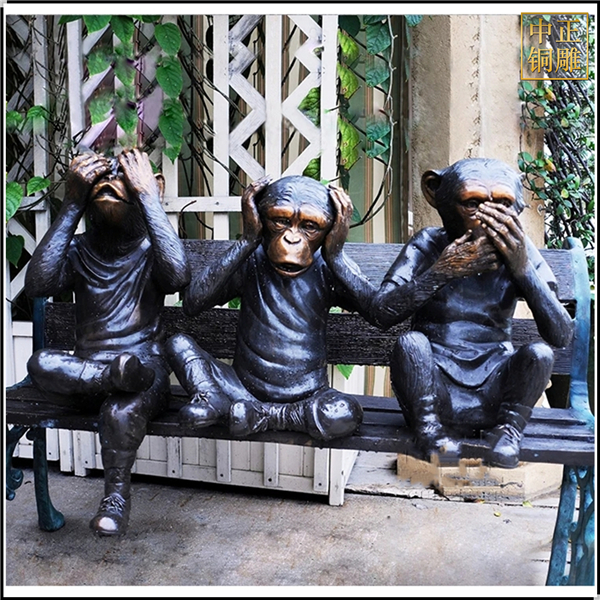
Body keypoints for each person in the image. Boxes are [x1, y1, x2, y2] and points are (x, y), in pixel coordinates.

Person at [25, 149, 190, 535]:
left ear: (149, 188)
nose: (110, 184)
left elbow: (178, 277)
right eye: (99, 181)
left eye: (123, 177)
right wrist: (71, 203)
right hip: (92, 374)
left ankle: (115, 499)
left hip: (143, 372)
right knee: (40, 363)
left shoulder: (152, 250)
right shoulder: (80, 250)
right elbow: (38, 284)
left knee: (120, 409)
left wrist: (148, 196)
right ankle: (111, 377)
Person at [371, 158, 573, 467]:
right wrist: (441, 272)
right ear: (435, 194)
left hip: (495, 388)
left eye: (503, 205)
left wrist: (522, 270)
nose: (489, 220)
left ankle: (508, 431)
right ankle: (429, 432)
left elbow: (560, 335)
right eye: (473, 204)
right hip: (434, 386)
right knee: (411, 344)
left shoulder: (519, 249)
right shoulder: (428, 243)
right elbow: (382, 312)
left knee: (540, 355)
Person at [167, 175, 377, 441]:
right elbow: (193, 303)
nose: (291, 238)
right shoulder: (252, 259)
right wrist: (246, 241)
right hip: (241, 389)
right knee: (178, 345)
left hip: (307, 396)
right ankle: (212, 398)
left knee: (346, 413)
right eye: (280, 221)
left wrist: (336, 255)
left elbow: (376, 313)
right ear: (260, 219)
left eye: (309, 226)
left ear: (330, 229)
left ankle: (264, 415)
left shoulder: (328, 266)